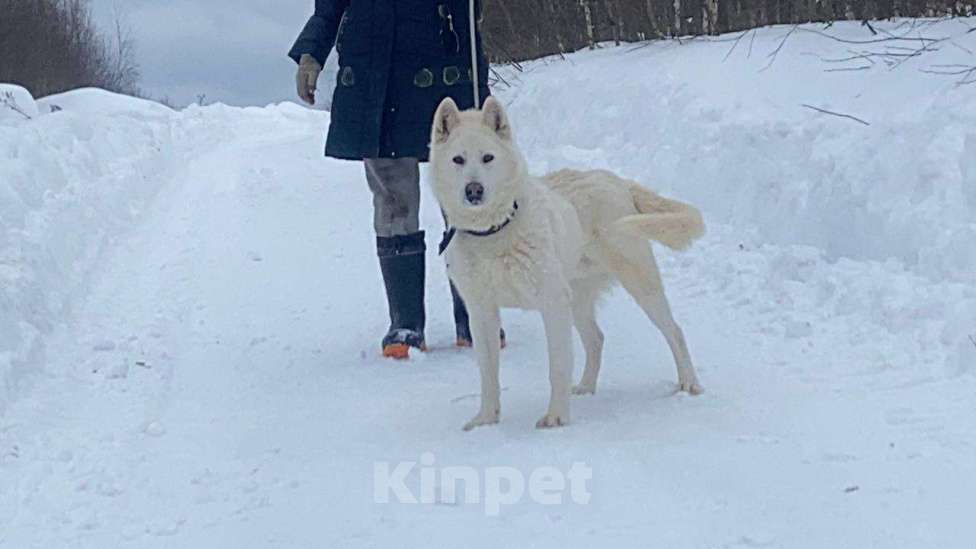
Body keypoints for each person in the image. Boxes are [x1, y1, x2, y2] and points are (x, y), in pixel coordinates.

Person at [288, 0, 491, 359]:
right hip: (375, 74)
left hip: (446, 64)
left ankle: (476, 313)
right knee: (393, 199)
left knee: (464, 192)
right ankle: (406, 323)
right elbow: (329, 7)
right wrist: (311, 52)